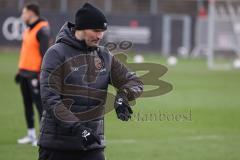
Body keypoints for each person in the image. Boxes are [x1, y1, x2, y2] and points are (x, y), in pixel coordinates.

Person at [39, 3, 143, 160]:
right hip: (57, 146)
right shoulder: (56, 53)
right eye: (96, 31)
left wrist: (123, 96)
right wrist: (78, 129)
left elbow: (134, 81)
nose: (100, 36)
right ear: (81, 28)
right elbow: (50, 99)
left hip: (92, 146)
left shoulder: (104, 56)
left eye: (102, 31)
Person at [15, 3, 50, 146]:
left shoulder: (42, 29)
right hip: (24, 73)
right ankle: (30, 134)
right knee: (27, 104)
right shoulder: (29, 29)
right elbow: (27, 52)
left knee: (40, 106)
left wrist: (41, 74)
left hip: (35, 75)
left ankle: (43, 136)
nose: (22, 16)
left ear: (31, 13)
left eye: (24, 13)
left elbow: (45, 55)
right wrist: (20, 70)